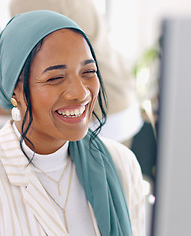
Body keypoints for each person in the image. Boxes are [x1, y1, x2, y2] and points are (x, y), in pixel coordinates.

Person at [0, 10, 145, 236]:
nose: (80, 92)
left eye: (88, 72)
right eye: (55, 78)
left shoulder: (121, 164)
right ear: (14, 89)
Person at [9, 0, 144, 146]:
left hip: (98, 108)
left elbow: (34, 58)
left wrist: (7, 89)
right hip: (119, 96)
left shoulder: (27, 3)